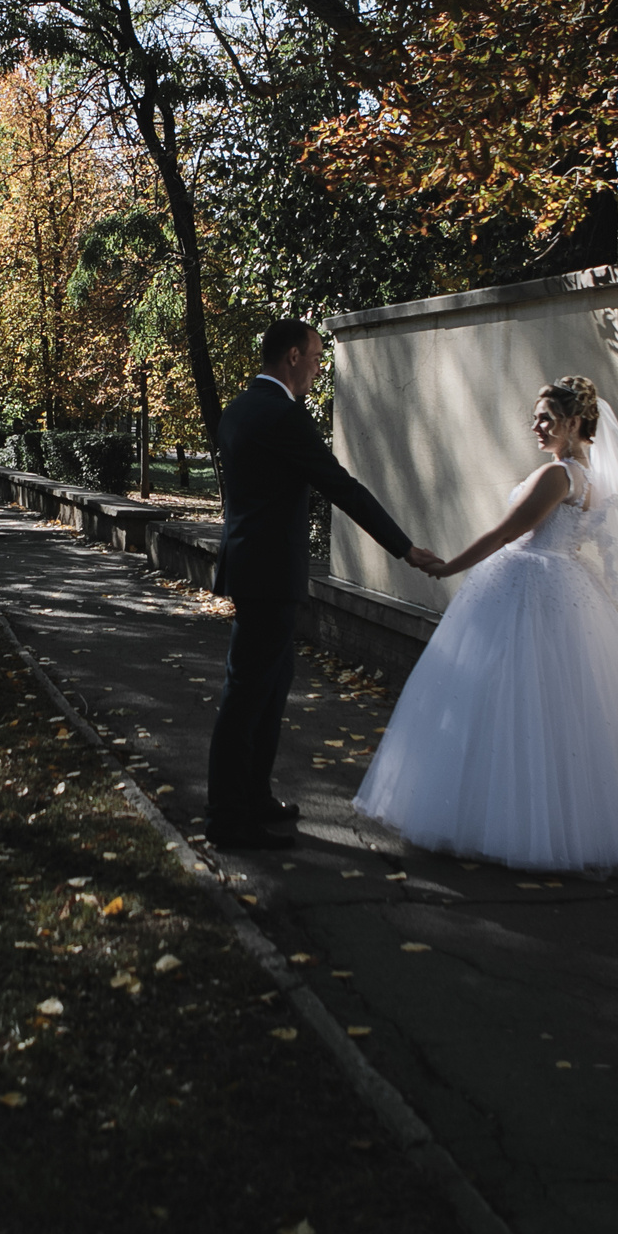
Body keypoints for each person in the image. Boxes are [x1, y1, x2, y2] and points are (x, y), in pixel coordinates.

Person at [352, 374, 618, 874]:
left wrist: (448, 566)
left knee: (511, 701)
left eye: (548, 419)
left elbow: (506, 532)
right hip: (567, 583)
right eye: (536, 418)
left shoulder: (557, 477)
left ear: (576, 421)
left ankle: (508, 823)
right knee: (553, 708)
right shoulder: (592, 479)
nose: (537, 427)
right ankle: (554, 820)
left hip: (532, 582)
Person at [209, 319, 444, 850]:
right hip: (270, 575)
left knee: (267, 691)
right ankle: (227, 818)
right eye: (316, 357)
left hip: (252, 568)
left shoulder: (239, 411)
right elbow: (341, 487)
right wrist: (404, 547)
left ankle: (254, 796)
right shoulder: (283, 416)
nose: (319, 368)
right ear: (292, 356)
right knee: (247, 697)